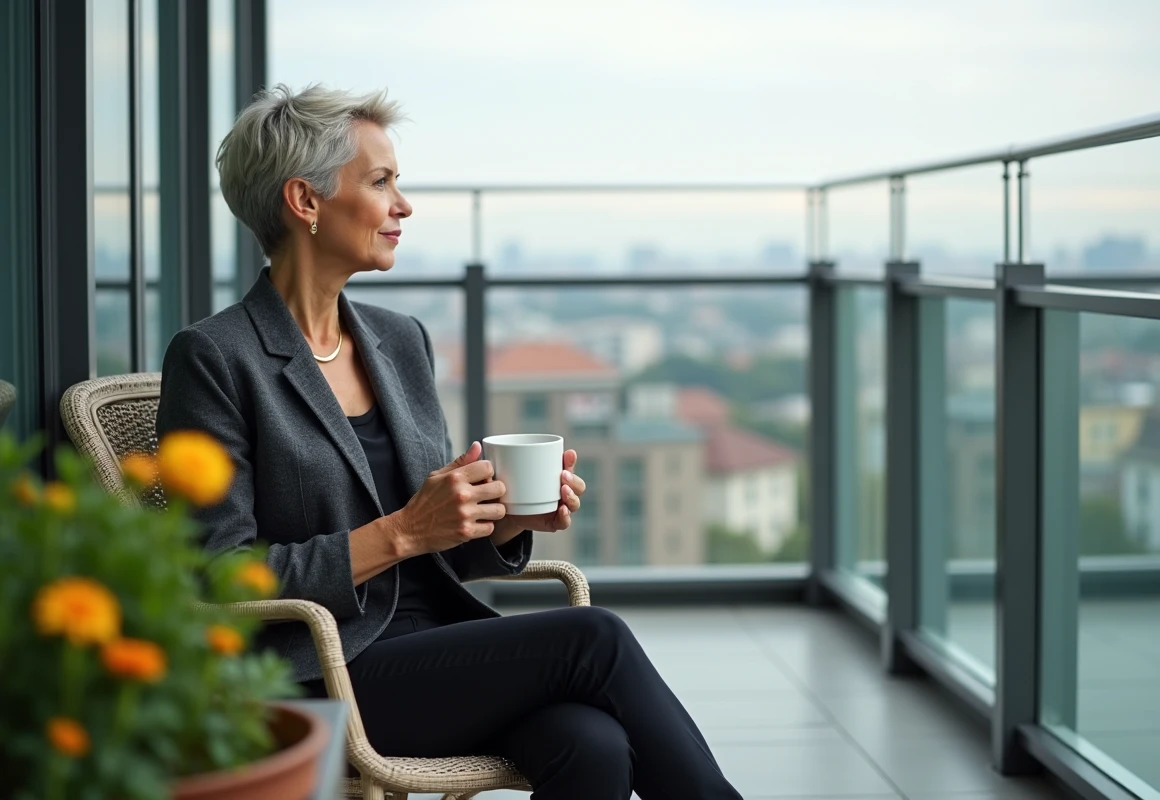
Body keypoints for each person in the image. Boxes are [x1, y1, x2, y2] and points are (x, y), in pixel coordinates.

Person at [157, 83, 742, 800]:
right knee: (596, 637)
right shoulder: (215, 357)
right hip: (316, 669)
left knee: (593, 745)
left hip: (435, 651)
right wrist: (401, 532)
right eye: (381, 182)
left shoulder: (400, 342)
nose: (403, 206)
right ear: (305, 202)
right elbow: (216, 575)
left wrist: (506, 522)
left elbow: (440, 542)